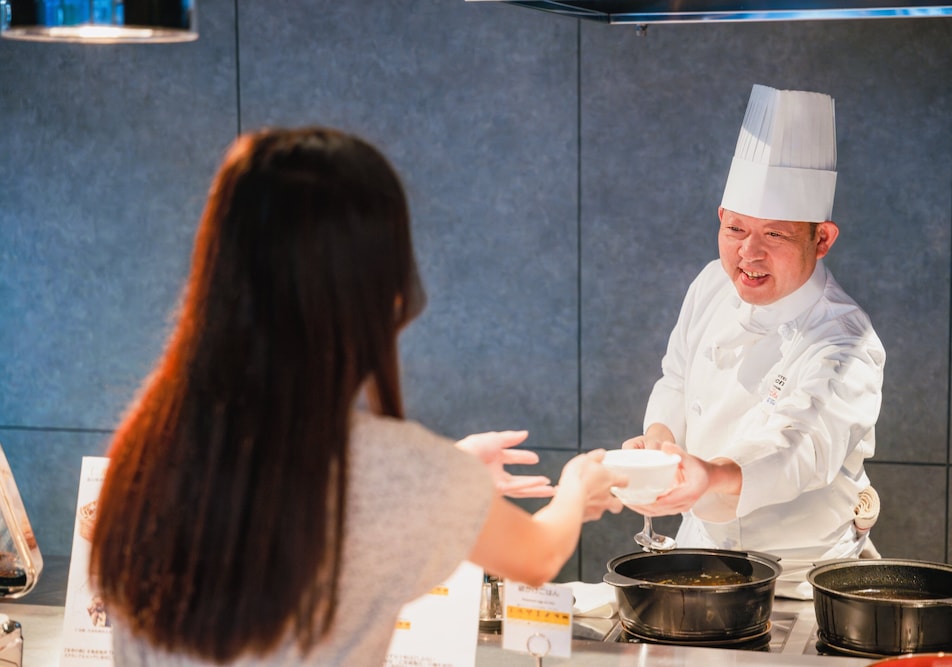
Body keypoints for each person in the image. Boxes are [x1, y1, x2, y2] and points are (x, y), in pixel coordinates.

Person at [88, 127, 626, 666]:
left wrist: (453, 469)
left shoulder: (148, 449)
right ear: (373, 291)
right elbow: (538, 555)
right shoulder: (398, 472)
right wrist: (578, 486)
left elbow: (312, 496)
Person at [623, 84, 886, 599]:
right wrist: (658, 443)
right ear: (720, 219)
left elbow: (797, 450)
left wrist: (704, 474)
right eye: (736, 229)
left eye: (775, 235)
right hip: (697, 553)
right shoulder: (710, 284)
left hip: (799, 579)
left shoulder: (846, 340)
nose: (748, 253)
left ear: (823, 239)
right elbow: (675, 378)